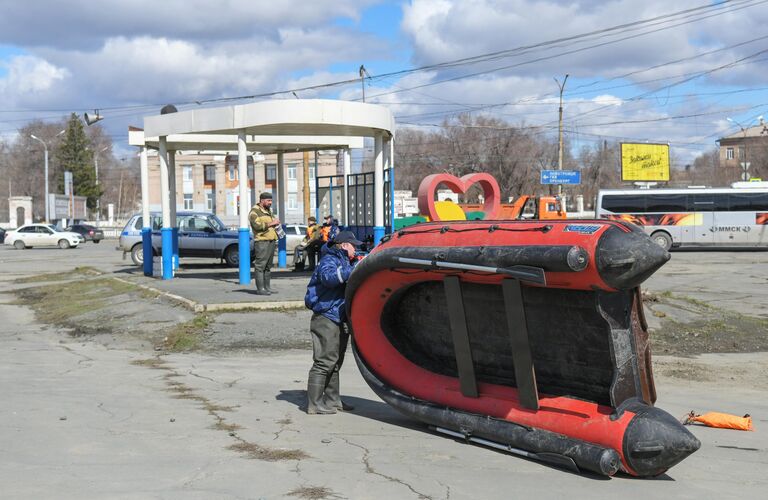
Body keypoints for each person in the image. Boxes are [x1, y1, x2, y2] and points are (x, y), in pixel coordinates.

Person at [303, 230, 362, 414]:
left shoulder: (345, 260)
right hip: (326, 315)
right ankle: (314, 404)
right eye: (354, 246)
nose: (356, 249)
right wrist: (354, 268)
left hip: (338, 316)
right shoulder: (329, 260)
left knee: (335, 361)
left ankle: (332, 400)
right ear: (344, 246)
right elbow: (329, 278)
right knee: (324, 361)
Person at [248, 192, 280, 295]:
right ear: (262, 200)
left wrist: (276, 223)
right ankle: (260, 289)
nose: (270, 202)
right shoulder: (254, 212)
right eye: (268, 201)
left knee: (268, 267)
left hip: (271, 241)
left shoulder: (268, 211)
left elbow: (271, 225)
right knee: (260, 266)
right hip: (262, 242)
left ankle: (267, 288)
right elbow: (256, 226)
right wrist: (272, 223)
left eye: (271, 200)